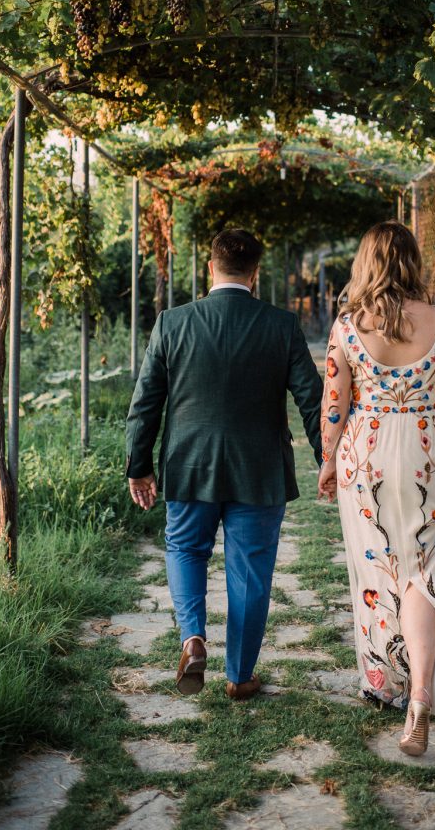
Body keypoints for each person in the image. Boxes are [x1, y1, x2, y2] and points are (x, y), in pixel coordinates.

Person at [125, 228, 323, 701]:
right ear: (255, 274)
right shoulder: (281, 325)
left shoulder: (172, 323)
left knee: (185, 548)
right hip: (259, 469)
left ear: (210, 268)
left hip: (189, 464)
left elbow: (145, 402)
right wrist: (328, 459)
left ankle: (193, 638)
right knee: (251, 570)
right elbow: (313, 400)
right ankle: (239, 676)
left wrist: (139, 465)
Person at [318, 221, 435, 754]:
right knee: (422, 569)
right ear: (412, 261)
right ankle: (422, 697)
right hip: (424, 453)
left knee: (377, 566)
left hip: (365, 458)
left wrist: (327, 461)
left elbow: (334, 406)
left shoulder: (347, 327)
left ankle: (386, 680)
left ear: (366, 263)